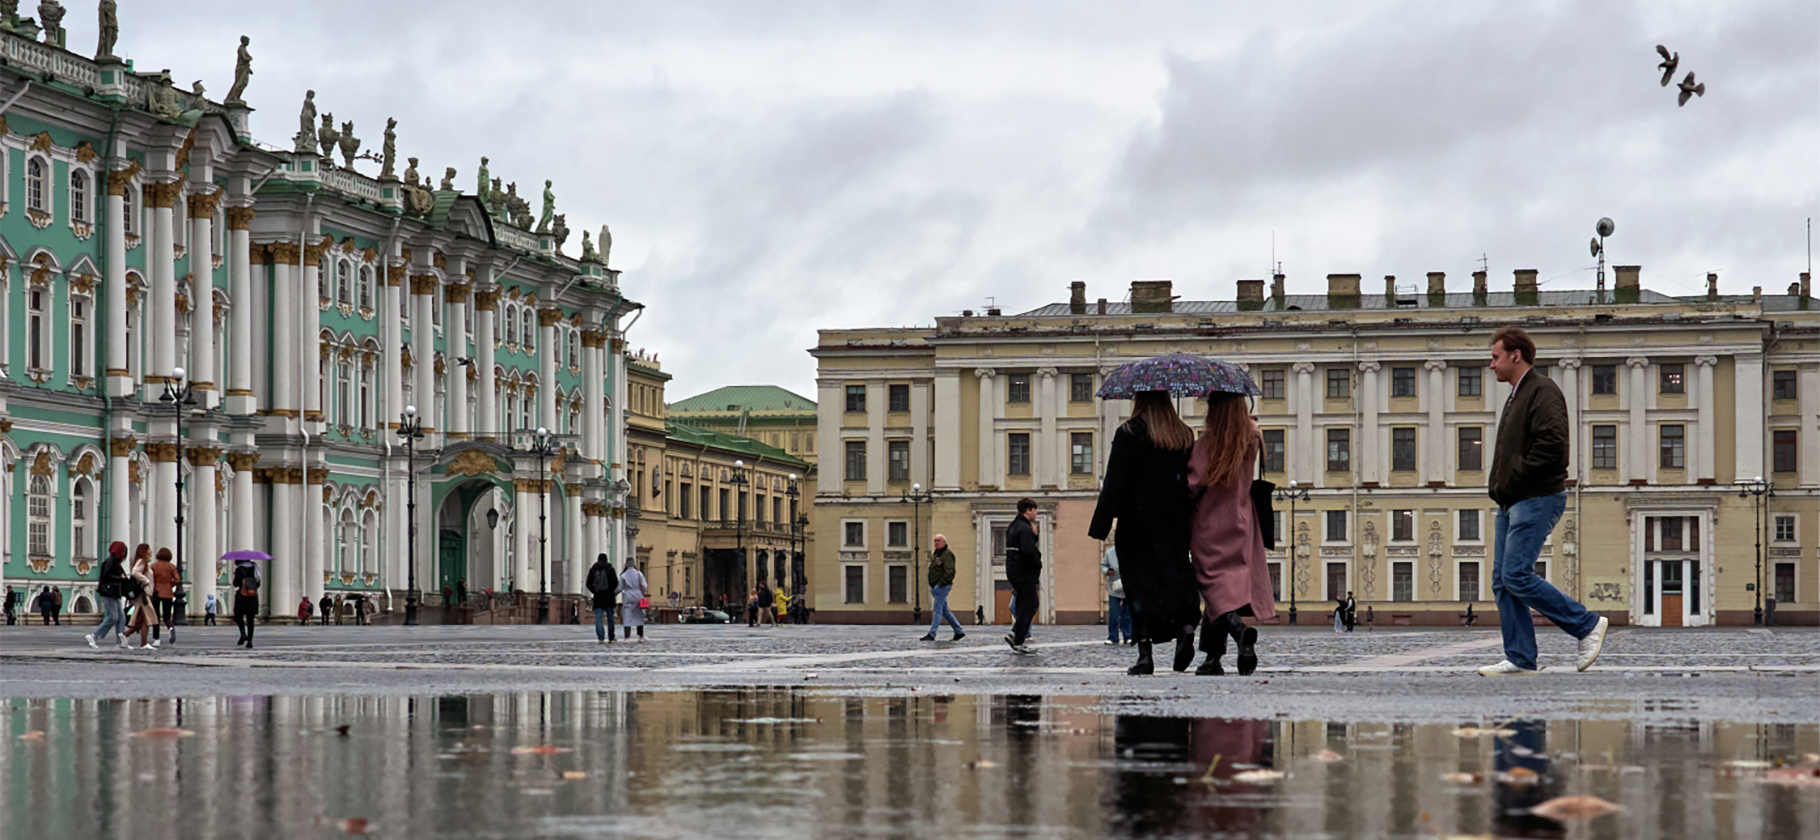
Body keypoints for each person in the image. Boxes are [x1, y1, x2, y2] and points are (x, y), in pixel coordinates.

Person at [1479, 326, 1608, 676]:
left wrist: (1517, 475)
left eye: (1495, 357)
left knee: (1517, 575)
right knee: (1503, 581)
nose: (1491, 365)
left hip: (1535, 497)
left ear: (1515, 356)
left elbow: (1553, 447)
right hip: (1511, 500)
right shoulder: (1517, 395)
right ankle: (1520, 658)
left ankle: (1587, 625)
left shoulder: (1542, 390)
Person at [1088, 391, 1201, 675]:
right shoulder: (1184, 435)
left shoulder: (1129, 432)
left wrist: (1101, 524)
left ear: (1139, 399)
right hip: (1175, 522)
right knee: (1174, 575)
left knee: (1138, 587)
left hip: (1136, 523)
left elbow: (1114, 479)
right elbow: (1193, 480)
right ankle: (1185, 627)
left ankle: (1145, 654)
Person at [1186, 392, 1277, 676]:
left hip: (1211, 522)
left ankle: (1239, 631)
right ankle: (1213, 658)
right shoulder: (1251, 438)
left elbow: (1192, 482)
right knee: (1227, 585)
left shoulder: (1208, 443)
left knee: (1213, 587)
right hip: (1243, 518)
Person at [1003, 498, 1042, 654]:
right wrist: (1037, 564)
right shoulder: (1025, 528)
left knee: (1025, 604)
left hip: (1013, 570)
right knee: (1029, 605)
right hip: (1025, 572)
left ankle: (1016, 633)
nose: (1036, 513)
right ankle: (1018, 639)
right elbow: (1028, 550)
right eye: (1034, 510)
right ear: (1028, 511)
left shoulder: (1013, 526)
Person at [920, 534, 967, 641]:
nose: (936, 542)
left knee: (937, 609)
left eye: (939, 540)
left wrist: (940, 584)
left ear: (944, 543)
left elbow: (950, 572)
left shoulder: (947, 554)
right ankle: (958, 631)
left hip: (942, 586)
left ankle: (932, 634)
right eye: (935, 540)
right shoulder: (936, 554)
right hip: (936, 587)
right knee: (944, 610)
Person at [86, 542, 131, 649]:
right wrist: (120, 578)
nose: (125, 555)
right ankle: (94, 636)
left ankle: (120, 642)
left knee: (121, 618)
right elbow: (106, 576)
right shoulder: (110, 562)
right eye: (124, 552)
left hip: (115, 593)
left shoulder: (116, 563)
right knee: (113, 617)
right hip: (108, 593)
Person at [1099, 535, 1132, 645]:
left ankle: (1128, 636)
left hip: (1128, 587)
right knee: (1113, 612)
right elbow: (1103, 565)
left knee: (1127, 613)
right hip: (1114, 586)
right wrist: (1107, 571)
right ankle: (1113, 637)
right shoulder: (1110, 552)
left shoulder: (1131, 552)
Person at [124, 547, 158, 648]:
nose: (151, 552)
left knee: (142, 619)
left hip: (145, 593)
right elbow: (135, 572)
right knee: (147, 618)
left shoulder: (144, 562)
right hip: (143, 593)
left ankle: (126, 635)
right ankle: (142, 643)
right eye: (149, 550)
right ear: (144, 551)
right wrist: (145, 580)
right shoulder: (141, 561)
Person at [147, 548, 178, 644]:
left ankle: (156, 639)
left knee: (155, 616)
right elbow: (177, 579)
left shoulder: (153, 566)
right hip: (168, 593)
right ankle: (171, 628)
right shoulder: (171, 566)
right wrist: (170, 584)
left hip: (156, 592)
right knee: (167, 617)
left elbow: (150, 579)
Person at [586, 553, 619, 643]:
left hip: (598, 597)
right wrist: (610, 590)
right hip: (609, 597)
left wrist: (595, 590)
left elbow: (588, 583)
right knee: (610, 618)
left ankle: (601, 637)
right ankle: (611, 638)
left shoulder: (593, 569)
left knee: (599, 618)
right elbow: (615, 583)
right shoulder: (610, 569)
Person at [231, 557, 261, 648]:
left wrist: (236, 577)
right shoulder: (255, 568)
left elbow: (236, 583)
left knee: (238, 615)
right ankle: (250, 641)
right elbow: (258, 583)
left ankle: (243, 633)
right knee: (250, 619)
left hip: (242, 596)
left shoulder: (239, 569)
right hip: (252, 596)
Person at [619, 561, 648, 641]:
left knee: (627, 615)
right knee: (639, 614)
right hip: (638, 594)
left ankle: (627, 637)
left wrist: (614, 593)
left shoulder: (623, 575)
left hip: (628, 594)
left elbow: (619, 587)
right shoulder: (639, 574)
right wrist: (641, 592)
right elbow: (644, 586)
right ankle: (641, 636)